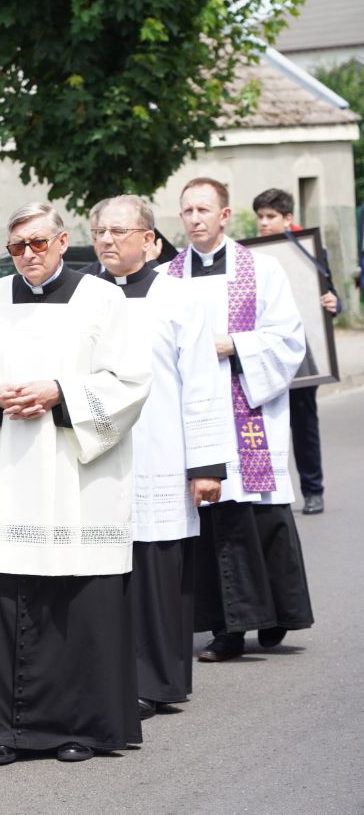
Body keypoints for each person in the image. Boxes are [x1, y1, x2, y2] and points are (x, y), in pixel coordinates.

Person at [0, 202, 151, 765]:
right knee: (8, 602)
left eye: (39, 243)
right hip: (13, 475)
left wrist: (59, 393)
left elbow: (131, 382)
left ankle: (77, 728)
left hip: (78, 477)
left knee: (75, 603)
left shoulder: (103, 299)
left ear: (63, 242)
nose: (28, 255)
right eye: (17, 247)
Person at [90, 196, 231, 719]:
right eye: (99, 231)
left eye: (119, 231)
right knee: (106, 569)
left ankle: (157, 681)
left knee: (156, 571)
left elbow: (202, 383)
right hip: (98, 453)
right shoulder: (84, 295)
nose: (106, 240)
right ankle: (110, 675)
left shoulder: (180, 298)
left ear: (150, 240)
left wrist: (207, 466)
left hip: (161, 452)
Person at [168, 178, 313, 662]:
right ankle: (228, 628)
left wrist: (233, 345)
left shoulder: (262, 269)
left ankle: (278, 615)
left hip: (247, 406)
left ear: (225, 215)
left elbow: (290, 338)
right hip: (196, 414)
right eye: (187, 210)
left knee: (260, 511)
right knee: (212, 515)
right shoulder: (168, 277)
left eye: (204, 209)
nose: (195, 218)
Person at [252, 188, 340, 515]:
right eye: (260, 217)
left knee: (304, 425)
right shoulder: (248, 256)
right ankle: (263, 493)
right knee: (259, 427)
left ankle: (313, 490)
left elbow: (330, 295)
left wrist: (334, 303)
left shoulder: (310, 250)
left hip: (302, 353)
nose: (263, 223)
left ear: (288, 219)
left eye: (270, 217)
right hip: (262, 353)